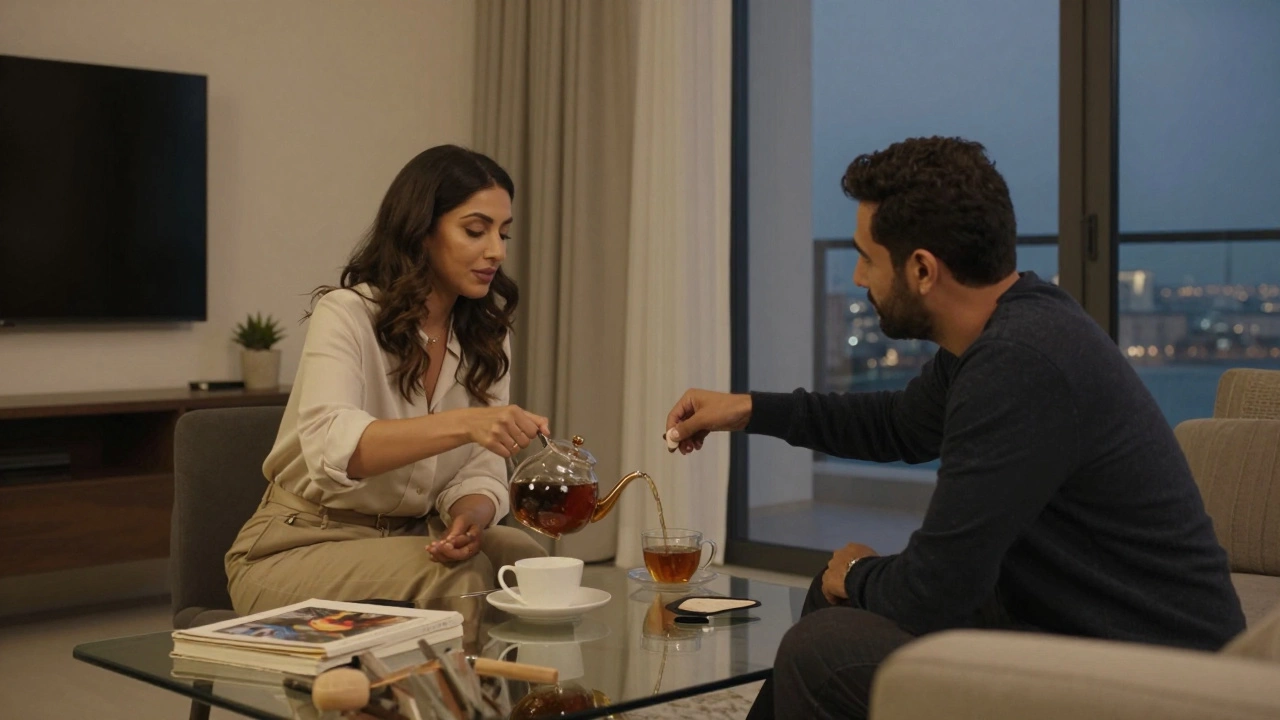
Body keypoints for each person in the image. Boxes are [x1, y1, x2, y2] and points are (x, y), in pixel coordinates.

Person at [664, 136, 1245, 720]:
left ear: (921, 269)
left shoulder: (1020, 363)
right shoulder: (1005, 329)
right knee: (834, 592)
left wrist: (862, 573)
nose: (860, 277)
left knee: (823, 651)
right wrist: (747, 409)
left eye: (867, 256)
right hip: (1064, 627)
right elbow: (896, 426)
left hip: (1154, 678)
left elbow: (935, 591)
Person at [226, 145, 550, 615]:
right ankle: (468, 693)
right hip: (296, 545)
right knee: (459, 579)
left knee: (527, 561)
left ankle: (533, 691)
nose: (496, 251)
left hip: (410, 536)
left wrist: (469, 517)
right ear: (420, 231)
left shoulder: (487, 336)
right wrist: (467, 423)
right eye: (475, 230)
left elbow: (481, 469)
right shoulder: (346, 314)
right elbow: (336, 450)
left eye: (504, 233)